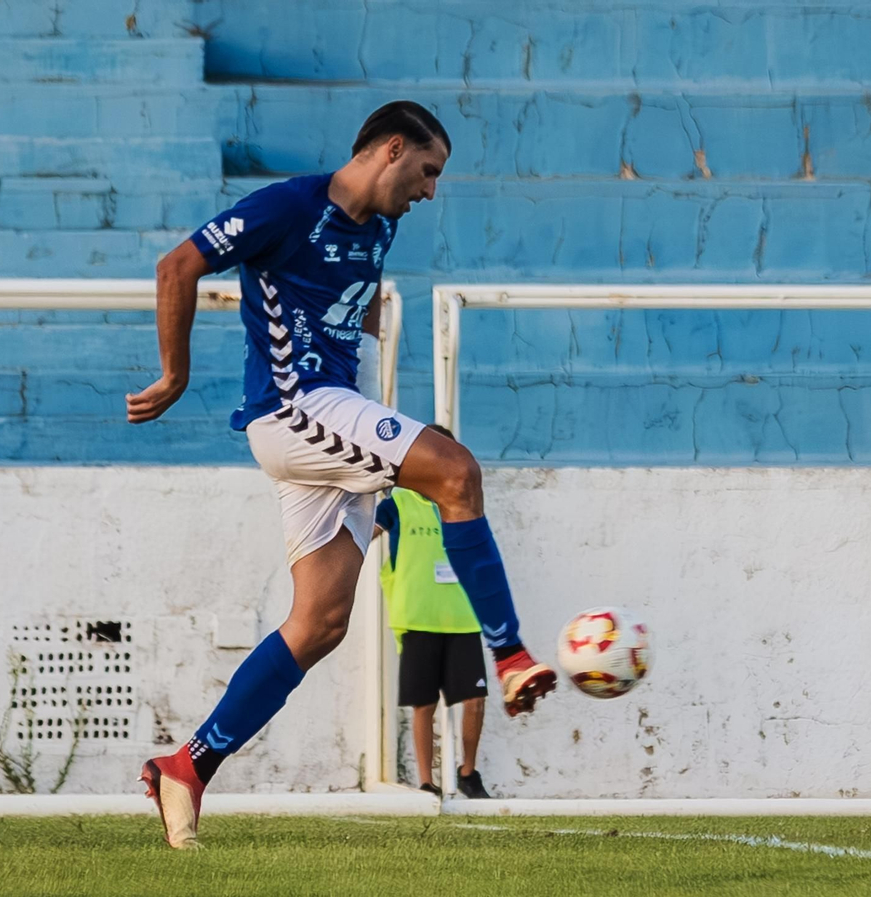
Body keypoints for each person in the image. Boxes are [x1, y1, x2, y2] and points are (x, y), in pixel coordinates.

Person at [125, 101, 552, 849]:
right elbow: (178, 263)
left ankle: (186, 766)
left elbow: (345, 308)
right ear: (391, 150)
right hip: (294, 409)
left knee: (320, 622)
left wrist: (366, 375)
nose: (430, 191)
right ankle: (511, 655)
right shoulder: (288, 206)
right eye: (427, 171)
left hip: (332, 412)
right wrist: (174, 375)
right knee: (456, 471)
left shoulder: (380, 226)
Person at [373, 427, 491, 801]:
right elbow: (365, 533)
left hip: (463, 617)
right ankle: (426, 781)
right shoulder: (398, 503)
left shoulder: (463, 502)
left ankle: (468, 772)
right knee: (423, 703)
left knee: (474, 699)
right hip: (417, 617)